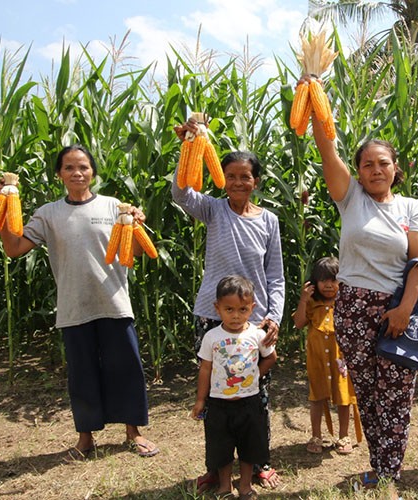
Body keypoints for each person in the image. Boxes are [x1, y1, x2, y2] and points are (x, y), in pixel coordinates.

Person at [0, 144, 159, 459]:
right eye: (69, 168)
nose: (77, 173)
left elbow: (130, 256)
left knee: (126, 369)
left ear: (93, 172)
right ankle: (86, 439)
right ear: (59, 174)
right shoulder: (49, 214)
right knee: (82, 374)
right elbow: (14, 249)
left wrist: (138, 227)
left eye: (83, 167)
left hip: (114, 302)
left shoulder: (113, 207)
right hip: (73, 306)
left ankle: (134, 433)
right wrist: (3, 206)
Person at [303, 75, 418, 488]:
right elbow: (326, 147)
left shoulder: (411, 207)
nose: (376, 170)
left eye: (383, 163)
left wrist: (404, 309)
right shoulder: (350, 198)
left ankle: (389, 474)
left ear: (397, 169)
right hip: (353, 307)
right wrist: (314, 91)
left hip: (396, 305)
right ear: (358, 171)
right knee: (368, 392)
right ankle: (380, 467)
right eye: (367, 164)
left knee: (396, 393)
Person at [171, 123, 284, 490]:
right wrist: (190, 146)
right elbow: (180, 192)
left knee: (257, 393)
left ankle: (259, 462)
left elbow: (276, 276)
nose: (237, 182)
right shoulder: (213, 210)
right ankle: (216, 465)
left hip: (255, 319)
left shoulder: (268, 221)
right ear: (223, 179)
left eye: (245, 176)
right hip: (212, 314)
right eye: (231, 176)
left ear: (256, 181)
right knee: (216, 396)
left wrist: (274, 317)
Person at [192, 275, 277, 499]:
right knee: (221, 447)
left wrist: (255, 375)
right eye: (229, 309)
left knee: (249, 447)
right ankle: (224, 487)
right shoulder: (212, 337)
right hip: (219, 403)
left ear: (252, 308)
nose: (236, 316)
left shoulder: (257, 335)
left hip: (250, 403)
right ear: (217, 308)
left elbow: (271, 357)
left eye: (242, 309)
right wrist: (201, 400)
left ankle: (246, 486)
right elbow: (205, 369)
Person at [292, 256, 357, 455]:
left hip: (340, 360)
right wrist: (303, 299)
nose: (328, 285)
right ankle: (316, 435)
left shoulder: (346, 302)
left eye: (333, 280)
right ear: (315, 282)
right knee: (317, 396)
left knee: (343, 396)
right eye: (323, 280)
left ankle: (344, 435)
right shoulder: (312, 303)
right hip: (317, 359)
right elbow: (299, 323)